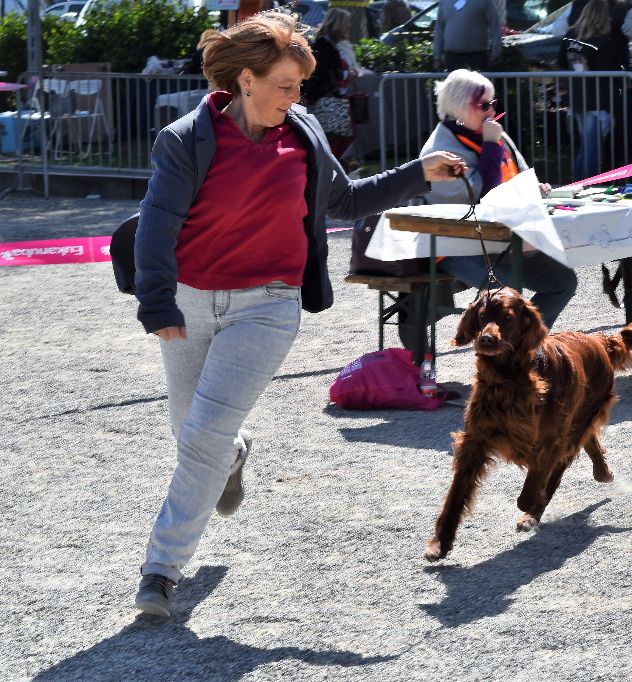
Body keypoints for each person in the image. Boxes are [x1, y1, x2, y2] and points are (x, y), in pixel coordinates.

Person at [131, 11, 466, 617]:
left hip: (269, 305)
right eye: (285, 86)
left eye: (299, 88)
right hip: (188, 300)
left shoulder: (302, 133)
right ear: (245, 81)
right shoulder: (186, 139)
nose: (295, 98)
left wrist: (419, 173)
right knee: (196, 436)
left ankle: (160, 570)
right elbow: (158, 224)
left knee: (199, 438)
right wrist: (156, 302)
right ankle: (234, 457)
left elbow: (345, 199)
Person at [419, 69, 577, 329]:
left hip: (505, 241)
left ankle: (524, 347)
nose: (492, 111)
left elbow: (520, 176)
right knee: (505, 297)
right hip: (458, 245)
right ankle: (513, 352)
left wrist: (534, 187)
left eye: (493, 103)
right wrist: (491, 146)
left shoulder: (495, 135)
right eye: (484, 105)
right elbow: (484, 197)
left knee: (562, 283)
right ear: (459, 107)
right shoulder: (440, 150)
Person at [559, 0, 632, 181]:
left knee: (586, 146)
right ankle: (585, 184)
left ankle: (578, 182)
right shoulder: (604, 43)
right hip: (598, 101)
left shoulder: (569, 39)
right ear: (603, 16)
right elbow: (611, 72)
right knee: (592, 146)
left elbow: (561, 64)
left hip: (577, 98)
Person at [303, 8, 357, 161]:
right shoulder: (324, 45)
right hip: (326, 100)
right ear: (338, 25)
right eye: (346, 24)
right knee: (336, 139)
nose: (349, 27)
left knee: (337, 138)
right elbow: (325, 73)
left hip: (329, 99)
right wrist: (348, 75)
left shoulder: (330, 44)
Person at [432, 0, 501, 72]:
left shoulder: (484, 1)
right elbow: (439, 29)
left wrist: (496, 53)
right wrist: (437, 58)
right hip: (452, 58)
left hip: (477, 57)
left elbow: (495, 26)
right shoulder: (444, 2)